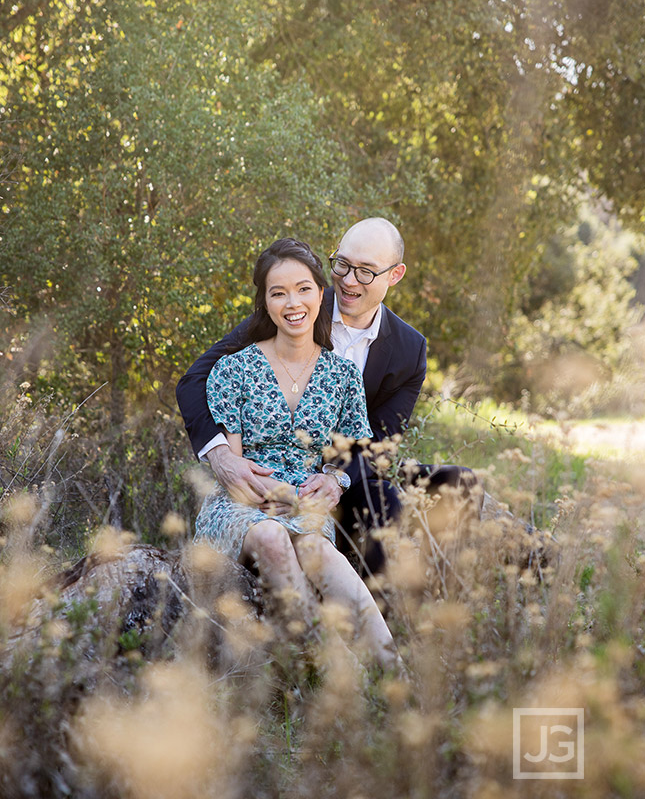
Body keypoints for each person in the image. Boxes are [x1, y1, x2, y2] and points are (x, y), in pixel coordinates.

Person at [177, 217, 483, 576]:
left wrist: (336, 479)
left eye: (366, 272)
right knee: (384, 501)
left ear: (395, 275)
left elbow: (380, 444)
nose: (349, 281)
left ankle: (439, 603)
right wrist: (222, 457)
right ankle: (362, 613)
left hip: (347, 474)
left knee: (461, 482)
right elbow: (195, 378)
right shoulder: (299, 304)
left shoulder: (408, 348)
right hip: (279, 471)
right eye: (343, 264)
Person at [192, 237, 400, 670]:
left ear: (321, 296)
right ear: (265, 302)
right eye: (278, 292)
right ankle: (337, 670)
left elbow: (352, 452)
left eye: (304, 289)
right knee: (270, 536)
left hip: (305, 507)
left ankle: (392, 667)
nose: (292, 303)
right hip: (244, 504)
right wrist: (278, 493)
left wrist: (334, 481)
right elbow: (236, 471)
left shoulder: (342, 375)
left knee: (320, 553)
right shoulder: (234, 368)